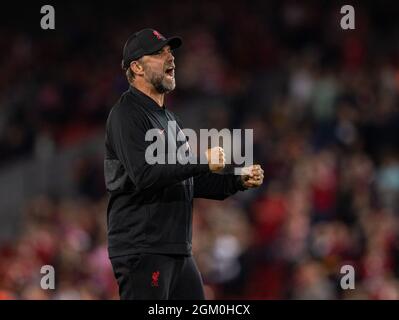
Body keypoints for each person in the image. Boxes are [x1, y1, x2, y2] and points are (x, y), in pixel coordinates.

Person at [104, 28, 264, 300]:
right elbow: (145, 175)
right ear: (137, 67)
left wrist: (236, 180)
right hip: (142, 247)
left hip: (177, 248)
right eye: (159, 53)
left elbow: (188, 179)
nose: (171, 58)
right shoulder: (126, 114)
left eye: (170, 52)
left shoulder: (171, 120)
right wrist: (202, 162)